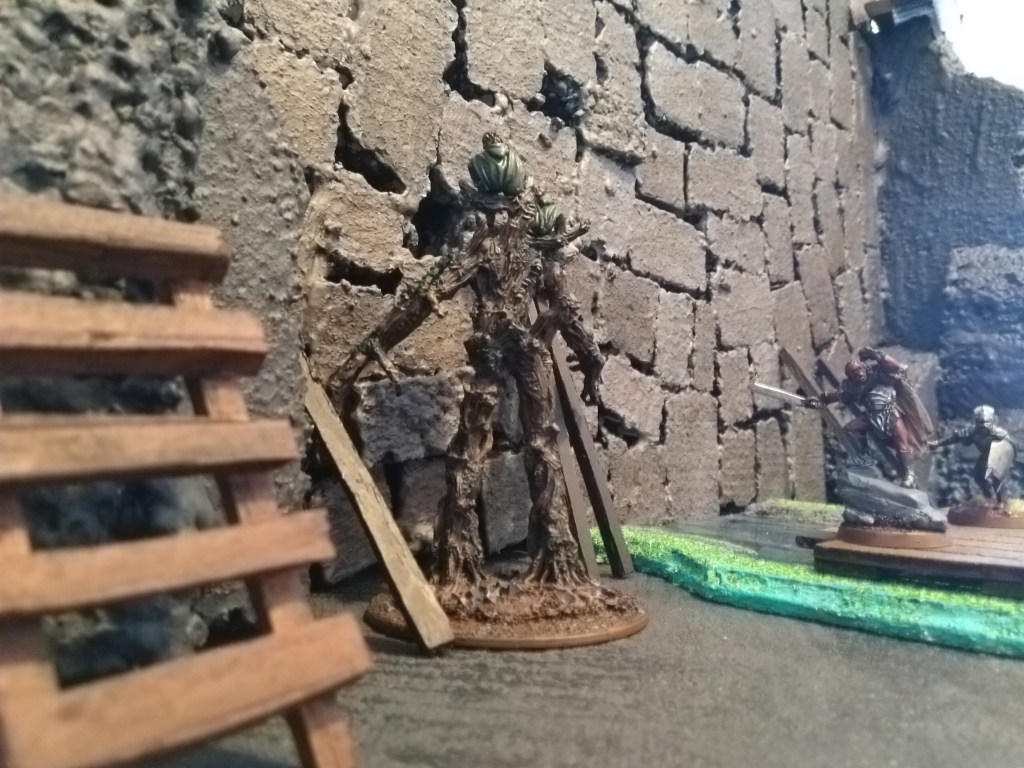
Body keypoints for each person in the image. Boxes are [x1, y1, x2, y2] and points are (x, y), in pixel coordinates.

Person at [806, 347, 933, 488]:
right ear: (850, 377)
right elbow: (835, 395)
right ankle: (864, 453)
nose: (858, 374)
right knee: (851, 428)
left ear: (863, 367)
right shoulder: (851, 387)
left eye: (859, 370)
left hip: (891, 412)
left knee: (902, 444)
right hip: (872, 417)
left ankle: (910, 475)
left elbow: (896, 367)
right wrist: (819, 400)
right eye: (854, 374)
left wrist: (877, 355)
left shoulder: (876, 373)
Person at [928, 405, 1019, 503]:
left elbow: (1008, 448)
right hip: (985, 456)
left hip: (998, 458)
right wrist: (938, 443)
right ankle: (990, 498)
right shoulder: (972, 431)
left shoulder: (1000, 434)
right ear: (976, 421)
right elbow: (955, 437)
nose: (983, 425)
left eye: (986, 422)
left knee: (997, 479)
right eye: (980, 422)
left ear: (991, 420)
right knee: (979, 477)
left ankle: (1002, 503)